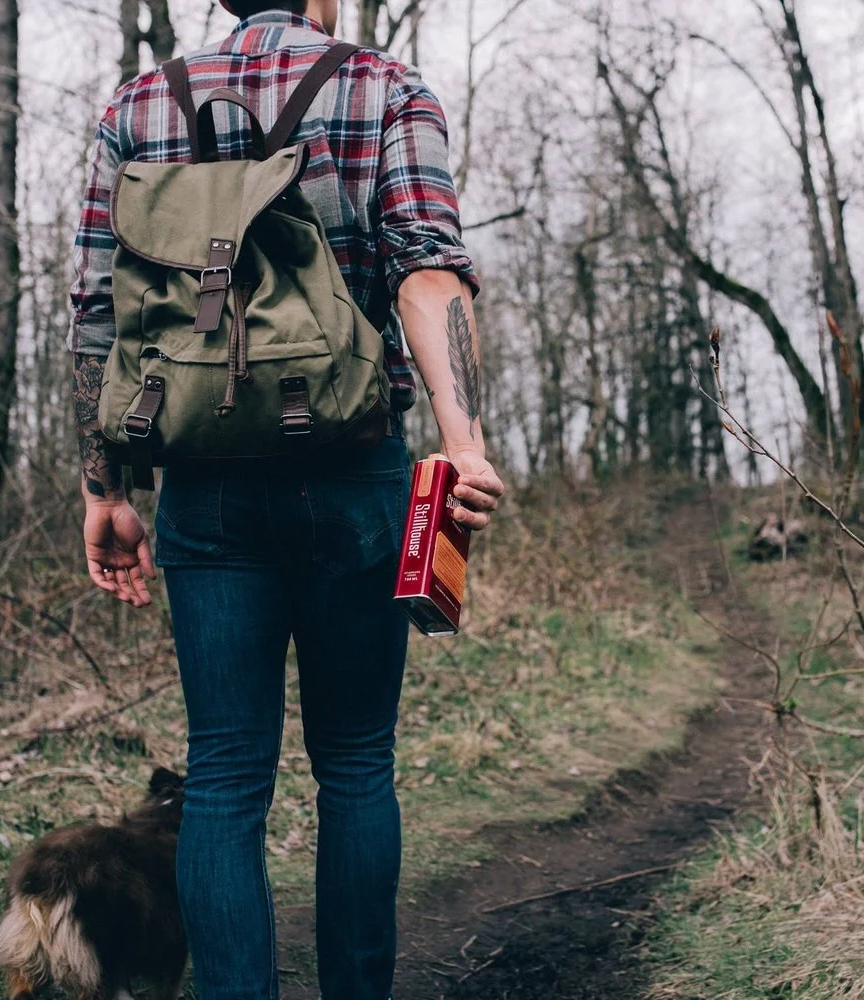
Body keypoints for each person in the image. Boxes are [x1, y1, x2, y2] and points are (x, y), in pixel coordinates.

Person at [67, 1, 504, 998]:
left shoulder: (136, 107)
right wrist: (462, 441)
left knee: (221, 776)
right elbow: (425, 269)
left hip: (206, 490)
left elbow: (95, 315)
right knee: (355, 766)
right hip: (356, 474)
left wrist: (105, 490)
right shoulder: (384, 86)